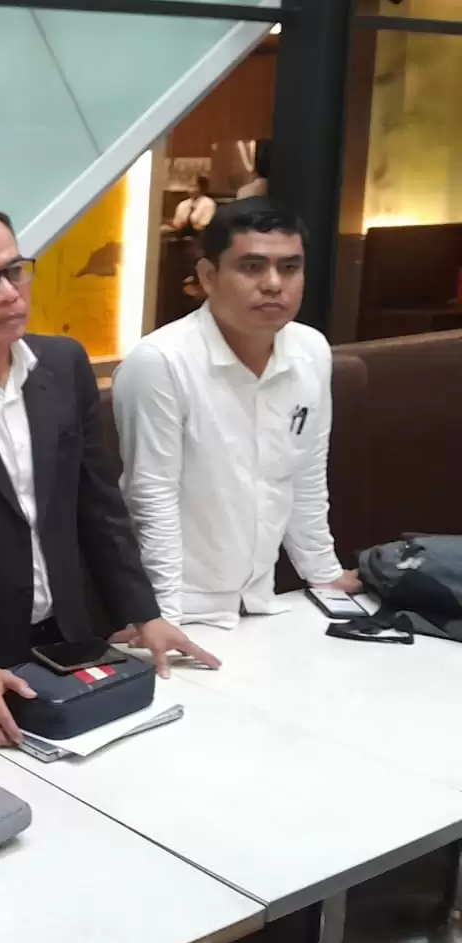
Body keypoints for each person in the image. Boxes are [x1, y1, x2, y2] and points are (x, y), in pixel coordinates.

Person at [0, 201, 219, 747]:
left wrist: (144, 613)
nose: (8, 293)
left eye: (15, 270)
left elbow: (99, 504)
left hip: (69, 638)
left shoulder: (64, 364)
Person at [113, 199, 358, 629]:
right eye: (252, 267)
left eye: (289, 268)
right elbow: (151, 498)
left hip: (261, 600)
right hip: (179, 606)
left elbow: (305, 474)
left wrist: (324, 573)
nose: (273, 284)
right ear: (209, 277)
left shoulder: (311, 350)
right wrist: (162, 616)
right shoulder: (160, 361)